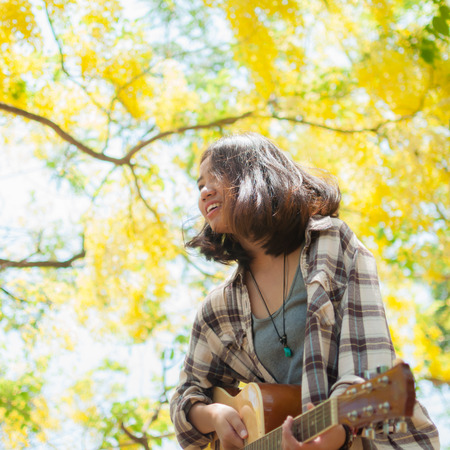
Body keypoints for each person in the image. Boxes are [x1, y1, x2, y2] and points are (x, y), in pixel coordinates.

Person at [170, 132, 439, 449]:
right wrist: (215, 415)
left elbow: (369, 365)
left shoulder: (331, 245)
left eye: (215, 177)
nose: (204, 192)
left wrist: (335, 435)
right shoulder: (218, 309)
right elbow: (187, 394)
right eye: (200, 184)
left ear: (256, 175)